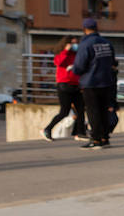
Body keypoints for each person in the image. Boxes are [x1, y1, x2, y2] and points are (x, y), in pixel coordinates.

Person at [73, 18, 116, 149]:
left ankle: (96, 139)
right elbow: (113, 61)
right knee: (104, 111)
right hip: (107, 81)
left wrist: (75, 70)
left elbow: (79, 66)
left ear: (85, 29)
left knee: (93, 112)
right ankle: (105, 138)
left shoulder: (85, 44)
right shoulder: (107, 43)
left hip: (91, 82)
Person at [42, 36, 86, 141]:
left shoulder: (77, 55)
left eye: (76, 43)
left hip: (76, 85)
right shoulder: (62, 54)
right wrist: (66, 51)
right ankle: (47, 129)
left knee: (80, 110)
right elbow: (59, 63)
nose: (75, 46)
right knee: (64, 112)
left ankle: (80, 133)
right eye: (73, 43)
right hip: (64, 85)